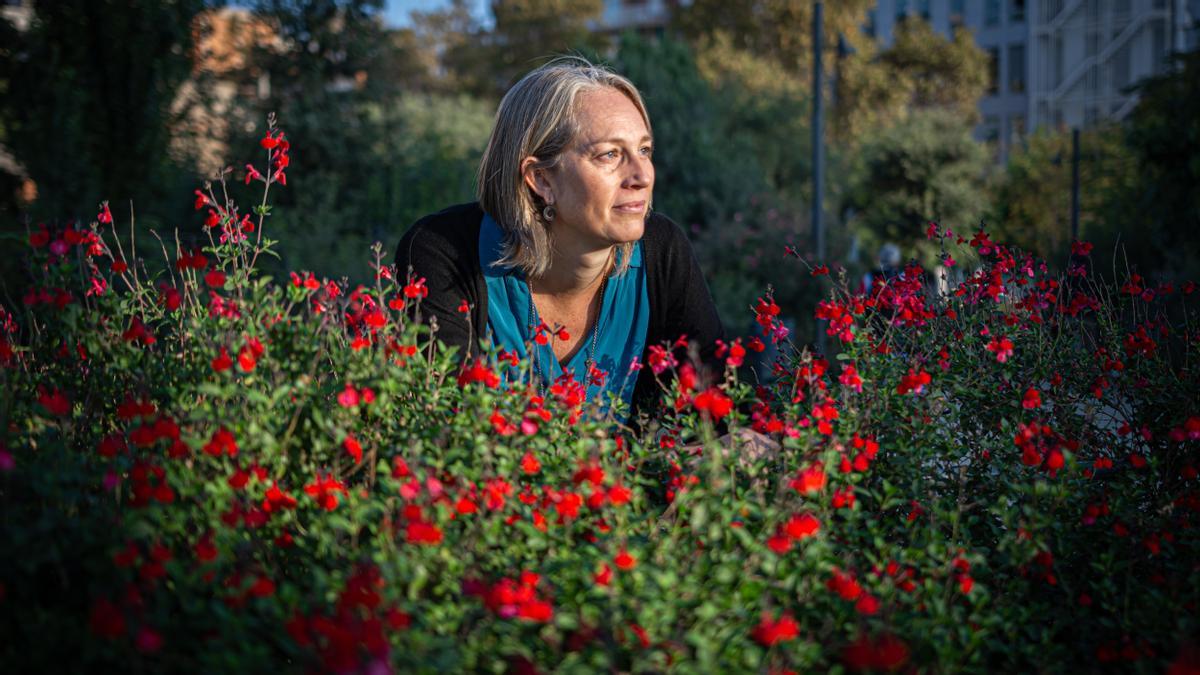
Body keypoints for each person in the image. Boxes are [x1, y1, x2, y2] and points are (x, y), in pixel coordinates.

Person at [393, 57, 725, 426]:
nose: (641, 176)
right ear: (541, 179)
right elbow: (449, 434)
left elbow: (711, 421)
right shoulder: (444, 252)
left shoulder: (662, 252)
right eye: (610, 154)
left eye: (644, 151)